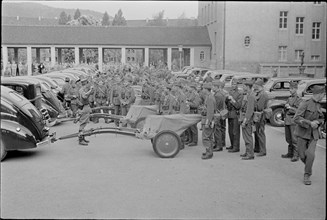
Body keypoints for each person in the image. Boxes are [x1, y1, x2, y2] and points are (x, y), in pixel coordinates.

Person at [294, 85, 325, 185]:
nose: (324, 96)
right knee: (302, 155)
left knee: (311, 155)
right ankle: (308, 165)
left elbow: (321, 118)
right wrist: (309, 123)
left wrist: (318, 122)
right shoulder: (305, 103)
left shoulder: (319, 105)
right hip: (302, 133)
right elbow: (296, 118)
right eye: (323, 94)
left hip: (314, 134)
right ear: (319, 94)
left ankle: (307, 174)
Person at [281, 81, 303, 162]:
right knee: (288, 138)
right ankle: (290, 153)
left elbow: (299, 111)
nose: (290, 90)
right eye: (290, 88)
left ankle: (296, 155)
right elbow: (285, 109)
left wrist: (290, 108)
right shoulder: (289, 98)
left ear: (296, 89)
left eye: (292, 88)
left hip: (293, 121)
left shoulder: (299, 99)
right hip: (287, 120)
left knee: (294, 140)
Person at [225, 79, 243, 153]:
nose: (233, 85)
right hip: (230, 113)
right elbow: (226, 103)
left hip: (235, 113)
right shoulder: (230, 92)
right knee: (230, 131)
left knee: (235, 132)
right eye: (232, 84)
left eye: (235, 84)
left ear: (237, 85)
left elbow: (238, 106)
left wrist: (232, 100)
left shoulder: (239, 93)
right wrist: (226, 99)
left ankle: (236, 147)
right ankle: (232, 145)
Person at [240, 80, 256, 160]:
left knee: (248, 137)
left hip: (248, 120)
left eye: (244, 86)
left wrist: (245, 121)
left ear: (247, 86)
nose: (243, 87)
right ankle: (247, 151)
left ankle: (250, 154)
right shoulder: (249, 95)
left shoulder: (251, 96)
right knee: (246, 137)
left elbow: (249, 111)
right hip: (246, 118)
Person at [253, 79, 269, 157]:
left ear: (259, 85)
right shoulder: (259, 93)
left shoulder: (262, 94)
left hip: (260, 115)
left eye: (256, 84)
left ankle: (262, 150)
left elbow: (259, 107)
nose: (254, 86)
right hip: (258, 115)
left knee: (260, 132)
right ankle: (257, 148)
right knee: (256, 132)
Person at [77, 76, 94, 146]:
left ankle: (83, 137)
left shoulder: (83, 89)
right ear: (84, 83)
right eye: (86, 83)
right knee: (83, 124)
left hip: (85, 107)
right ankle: (81, 139)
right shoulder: (82, 89)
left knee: (84, 123)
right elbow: (84, 96)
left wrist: (90, 90)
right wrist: (90, 90)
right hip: (84, 107)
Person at [201, 83, 216, 160]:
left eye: (203, 88)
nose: (202, 90)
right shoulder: (209, 96)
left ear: (206, 89)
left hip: (208, 120)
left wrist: (207, 122)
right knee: (209, 137)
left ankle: (209, 152)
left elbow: (210, 112)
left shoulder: (210, 98)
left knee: (206, 137)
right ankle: (209, 152)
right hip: (209, 119)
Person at [212, 80, 227, 152]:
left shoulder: (217, 95)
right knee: (220, 129)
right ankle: (219, 144)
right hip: (222, 113)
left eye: (213, 86)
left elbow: (216, 106)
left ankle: (219, 145)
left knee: (217, 130)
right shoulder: (221, 93)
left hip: (218, 113)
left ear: (216, 87)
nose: (212, 88)